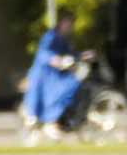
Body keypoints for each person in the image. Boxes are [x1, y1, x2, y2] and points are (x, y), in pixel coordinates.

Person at [23, 9, 89, 139]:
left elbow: (69, 55)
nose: (69, 27)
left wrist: (82, 55)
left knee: (73, 83)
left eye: (71, 24)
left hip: (58, 74)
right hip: (44, 74)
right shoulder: (50, 36)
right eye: (67, 23)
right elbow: (43, 54)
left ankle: (66, 118)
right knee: (57, 91)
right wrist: (54, 59)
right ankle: (51, 121)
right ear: (60, 24)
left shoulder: (65, 40)